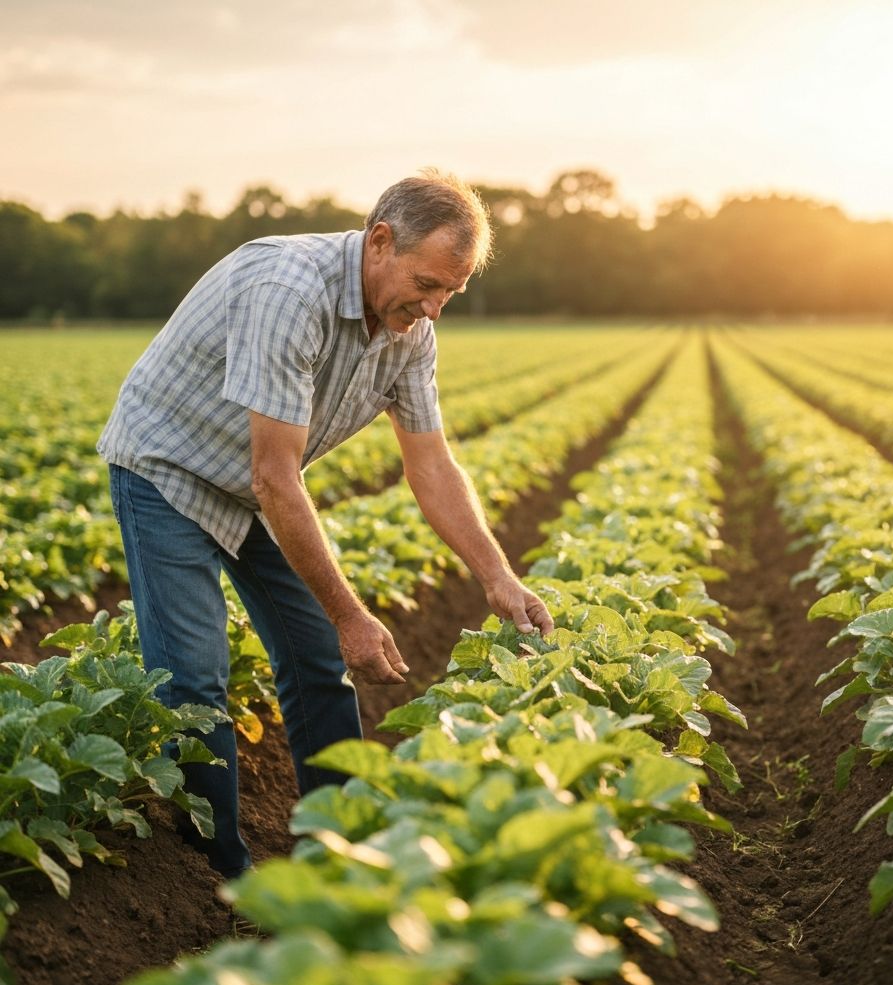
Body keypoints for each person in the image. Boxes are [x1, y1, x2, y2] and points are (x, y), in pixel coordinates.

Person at [97, 170, 554, 877]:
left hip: (252, 486)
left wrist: (497, 576)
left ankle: (337, 854)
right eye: (428, 284)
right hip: (169, 468)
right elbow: (275, 476)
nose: (433, 308)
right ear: (379, 242)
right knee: (196, 680)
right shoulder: (290, 291)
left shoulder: (409, 332)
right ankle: (218, 879)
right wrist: (350, 614)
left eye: (448, 295)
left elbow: (430, 465)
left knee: (316, 660)